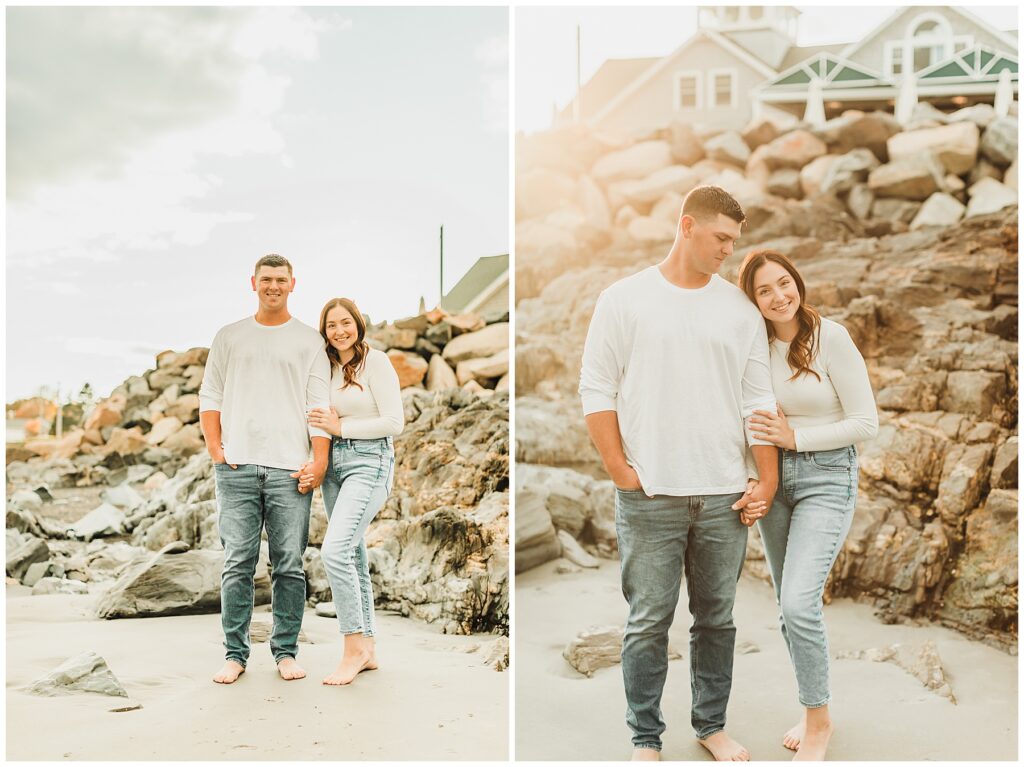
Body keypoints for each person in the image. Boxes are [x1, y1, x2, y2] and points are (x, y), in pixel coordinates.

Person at [579, 185, 778, 762]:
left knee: (716, 620)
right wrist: (619, 469)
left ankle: (711, 725)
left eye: (735, 242)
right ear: (687, 226)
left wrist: (764, 480)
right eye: (721, 238)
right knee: (648, 623)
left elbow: (757, 399)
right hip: (650, 494)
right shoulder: (624, 299)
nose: (729, 251)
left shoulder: (739, 310)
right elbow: (597, 387)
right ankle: (645, 738)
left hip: (723, 493)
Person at [737, 249, 878, 761]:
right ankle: (810, 708)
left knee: (799, 603)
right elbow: (749, 414)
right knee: (787, 608)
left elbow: (866, 423)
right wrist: (755, 476)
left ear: (797, 281)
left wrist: (796, 437)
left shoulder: (829, 337)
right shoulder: (752, 345)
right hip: (773, 481)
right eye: (764, 290)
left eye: (783, 283)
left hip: (826, 477)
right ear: (752, 300)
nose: (779, 296)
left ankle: (819, 722)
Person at [199, 254, 331, 684]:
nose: (273, 286)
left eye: (280, 280)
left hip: (290, 470)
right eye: (266, 280)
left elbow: (318, 405)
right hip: (236, 467)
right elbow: (210, 395)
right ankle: (235, 655)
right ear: (252, 282)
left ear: (293, 284)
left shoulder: (309, 341)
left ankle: (286, 652)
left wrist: (317, 458)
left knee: (289, 564)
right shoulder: (230, 336)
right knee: (237, 563)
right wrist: (216, 448)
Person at [302, 297, 403, 686]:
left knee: (335, 550)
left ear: (358, 324)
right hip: (334, 467)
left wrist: (343, 428)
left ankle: (352, 648)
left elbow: (395, 422)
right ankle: (369, 647)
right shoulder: (324, 366)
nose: (339, 331)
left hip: (369, 462)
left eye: (346, 323)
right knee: (354, 554)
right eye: (331, 325)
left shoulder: (376, 362)